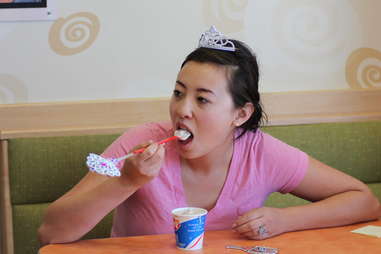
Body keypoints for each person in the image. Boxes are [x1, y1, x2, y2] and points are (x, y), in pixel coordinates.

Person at [38, 26, 381, 245]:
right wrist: (127, 181)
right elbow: (51, 233)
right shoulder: (140, 143)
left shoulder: (261, 153)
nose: (182, 110)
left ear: (240, 114)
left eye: (202, 99)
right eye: (178, 93)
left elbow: (364, 200)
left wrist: (285, 219)